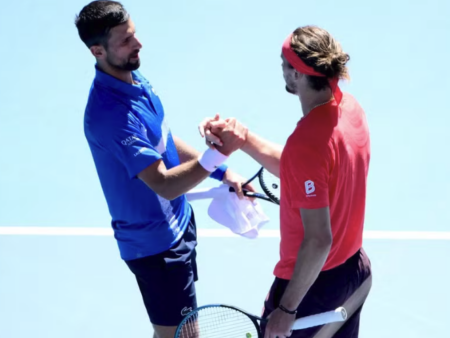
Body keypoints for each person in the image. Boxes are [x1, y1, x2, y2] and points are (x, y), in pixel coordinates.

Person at [74, 1, 250, 337]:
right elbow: (164, 185)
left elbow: (164, 141)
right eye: (125, 41)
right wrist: (216, 156)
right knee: (183, 335)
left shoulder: (134, 77)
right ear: (97, 50)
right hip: (156, 247)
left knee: (177, 331)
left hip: (179, 224)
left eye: (134, 35)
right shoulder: (111, 117)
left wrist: (222, 171)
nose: (138, 45)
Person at [200, 25, 373, 338]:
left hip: (311, 290)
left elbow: (319, 239)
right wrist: (243, 138)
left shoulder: (308, 143)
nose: (280, 68)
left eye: (283, 63)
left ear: (297, 73)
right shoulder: (350, 109)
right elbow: (305, 168)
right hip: (353, 272)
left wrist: (287, 309)